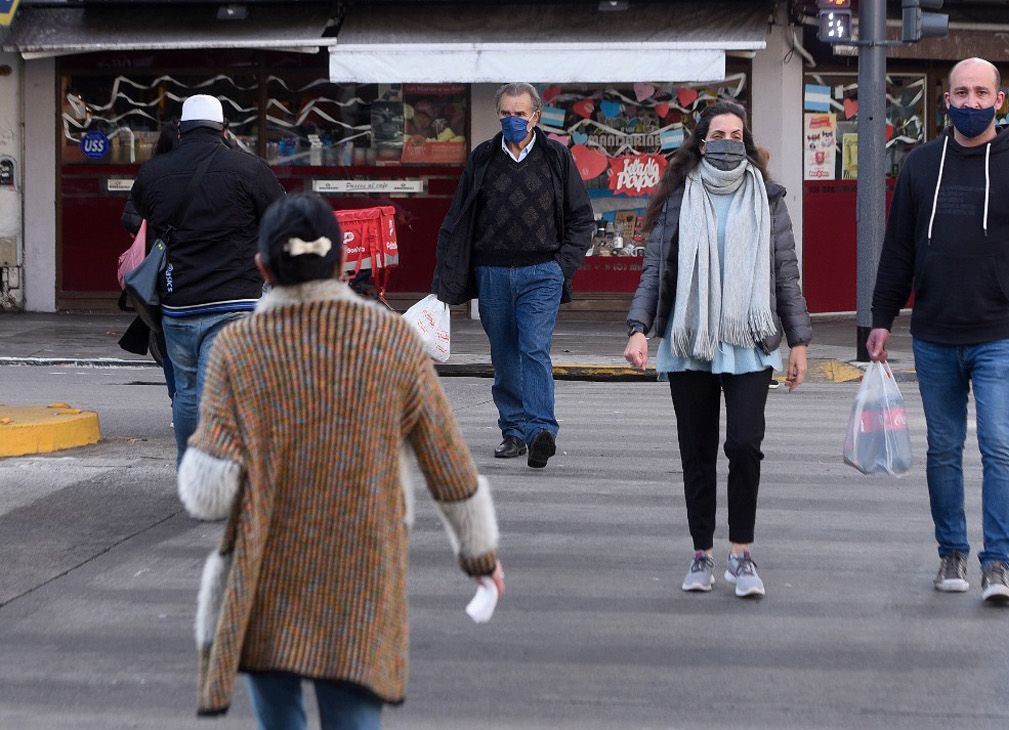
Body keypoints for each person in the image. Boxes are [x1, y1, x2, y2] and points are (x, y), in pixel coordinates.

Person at [177, 194, 503, 728]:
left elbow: (208, 493)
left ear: (262, 267)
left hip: (266, 571)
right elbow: (448, 465)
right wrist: (480, 558)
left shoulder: (238, 348)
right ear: (345, 264)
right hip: (363, 569)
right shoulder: (394, 340)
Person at [867, 58, 1009, 605]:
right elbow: (898, 250)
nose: (970, 102)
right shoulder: (919, 166)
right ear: (945, 99)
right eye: (961, 92)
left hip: (997, 334)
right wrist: (881, 319)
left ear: (999, 101)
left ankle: (998, 564)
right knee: (943, 448)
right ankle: (951, 554)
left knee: (999, 446)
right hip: (934, 332)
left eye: (981, 92)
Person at [624, 100, 811, 598]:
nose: (727, 142)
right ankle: (702, 554)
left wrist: (799, 342)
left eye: (736, 134)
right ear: (702, 142)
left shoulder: (768, 197)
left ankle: (742, 555)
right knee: (698, 451)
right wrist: (639, 327)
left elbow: (785, 274)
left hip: (750, 343)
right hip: (691, 342)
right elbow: (654, 271)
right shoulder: (678, 197)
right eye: (718, 135)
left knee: (745, 446)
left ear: (745, 140)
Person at [432, 82, 594, 469]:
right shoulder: (483, 157)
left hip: (542, 272)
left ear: (536, 117)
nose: (513, 120)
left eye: (520, 114)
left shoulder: (556, 157)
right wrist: (448, 276)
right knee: (504, 355)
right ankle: (514, 431)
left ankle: (541, 431)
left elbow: (580, 217)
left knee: (533, 348)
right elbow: (459, 217)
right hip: (492, 273)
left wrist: (561, 268)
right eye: (506, 113)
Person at [130, 94, 284, 461]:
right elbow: (282, 218)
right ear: (224, 129)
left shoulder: (154, 172)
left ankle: (191, 472)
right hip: (236, 302)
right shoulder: (250, 169)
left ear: (181, 130)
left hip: (178, 302)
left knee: (186, 392)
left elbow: (135, 216)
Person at [118, 119, 181, 400]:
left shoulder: (151, 172)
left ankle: (176, 400)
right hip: (176, 266)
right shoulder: (184, 173)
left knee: (167, 335)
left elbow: (130, 218)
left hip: (158, 269)